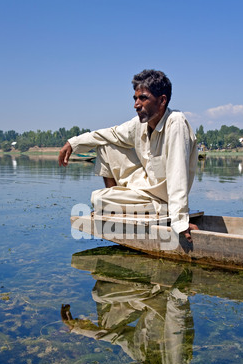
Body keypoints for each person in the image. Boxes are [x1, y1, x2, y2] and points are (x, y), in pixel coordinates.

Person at [58, 69, 199, 242]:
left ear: (162, 100)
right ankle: (120, 207)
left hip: (164, 196)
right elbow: (109, 134)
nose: (136, 105)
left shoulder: (175, 122)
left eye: (143, 98)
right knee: (105, 144)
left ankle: (151, 208)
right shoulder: (140, 124)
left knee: (98, 198)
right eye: (135, 98)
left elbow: (178, 175)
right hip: (147, 187)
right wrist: (73, 143)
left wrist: (179, 221)